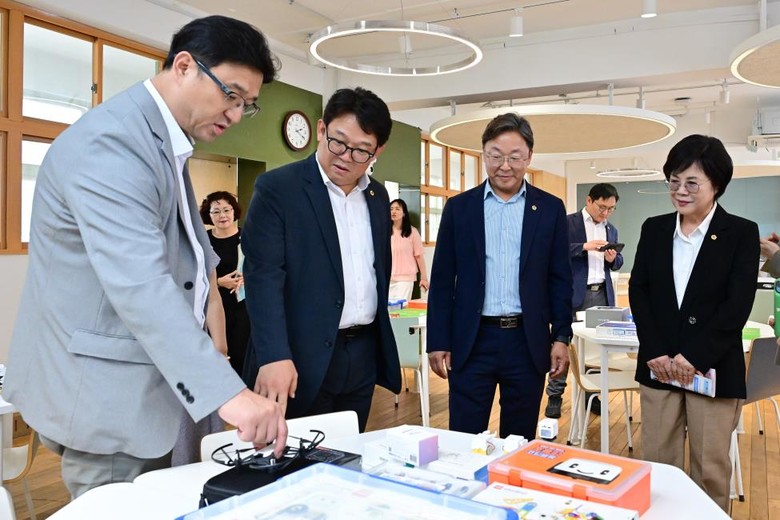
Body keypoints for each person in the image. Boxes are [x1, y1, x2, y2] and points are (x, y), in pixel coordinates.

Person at [3, 15, 288, 498]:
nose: (236, 114)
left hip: (144, 391)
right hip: (107, 401)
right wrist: (228, 392)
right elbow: (141, 286)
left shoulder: (162, 141)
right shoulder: (113, 142)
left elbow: (191, 267)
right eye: (231, 94)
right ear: (184, 66)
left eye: (247, 105)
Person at [241, 87, 402, 432]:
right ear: (321, 129)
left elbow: (377, 270)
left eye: (361, 150)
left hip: (361, 354)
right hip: (297, 357)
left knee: (349, 453)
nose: (345, 157)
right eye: (338, 142)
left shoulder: (377, 197)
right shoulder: (278, 189)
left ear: (378, 151)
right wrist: (274, 355)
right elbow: (263, 278)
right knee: (295, 457)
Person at [629, 134, 759, 512]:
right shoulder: (654, 228)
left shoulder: (740, 232)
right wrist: (654, 350)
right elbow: (639, 291)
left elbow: (737, 305)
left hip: (712, 368)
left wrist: (694, 356)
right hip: (659, 367)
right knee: (658, 464)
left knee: (710, 470)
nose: (680, 191)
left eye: (691, 183)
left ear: (716, 184)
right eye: (673, 181)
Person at [426, 113, 573, 441]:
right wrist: (437, 340)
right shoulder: (459, 208)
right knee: (463, 439)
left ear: (529, 157)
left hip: (527, 342)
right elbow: (442, 279)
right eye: (495, 156)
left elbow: (560, 279)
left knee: (518, 441)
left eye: (514, 157)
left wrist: (561, 336)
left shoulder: (549, 209)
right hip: (471, 340)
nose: (504, 166)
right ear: (484, 154)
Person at [544, 183, 623, 419]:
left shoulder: (611, 229)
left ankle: (591, 395)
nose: (606, 213)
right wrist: (584, 247)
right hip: (572, 294)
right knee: (562, 343)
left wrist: (612, 259)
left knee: (594, 349)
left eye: (611, 209)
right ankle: (555, 396)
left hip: (601, 295)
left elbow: (619, 262)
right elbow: (552, 252)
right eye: (602, 207)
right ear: (589, 201)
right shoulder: (568, 223)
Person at [199, 191, 251, 375]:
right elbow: (196, 276)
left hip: (243, 306)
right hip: (213, 306)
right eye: (216, 211)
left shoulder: (248, 237)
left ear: (234, 211)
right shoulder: (203, 240)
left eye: (227, 210)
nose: (222, 215)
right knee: (215, 357)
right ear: (209, 215)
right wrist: (219, 282)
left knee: (242, 356)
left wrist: (247, 278)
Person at [389, 198, 429, 302]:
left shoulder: (412, 232)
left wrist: (424, 278)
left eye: (397, 209)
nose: (393, 211)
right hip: (388, 278)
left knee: (400, 308)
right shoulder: (385, 232)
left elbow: (419, 256)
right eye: (391, 209)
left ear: (404, 213)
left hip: (405, 279)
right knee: (388, 309)